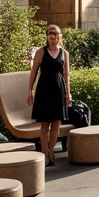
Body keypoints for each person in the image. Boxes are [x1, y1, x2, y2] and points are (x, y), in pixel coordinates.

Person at [27, 24, 71, 166]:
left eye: (55, 35)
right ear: (47, 37)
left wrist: (68, 95)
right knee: (45, 123)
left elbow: (66, 75)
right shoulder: (41, 52)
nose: (53, 38)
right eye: (50, 35)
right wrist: (30, 91)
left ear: (59, 37)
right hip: (44, 89)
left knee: (56, 123)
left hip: (58, 89)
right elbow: (33, 72)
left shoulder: (64, 53)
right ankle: (44, 154)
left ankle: (51, 153)